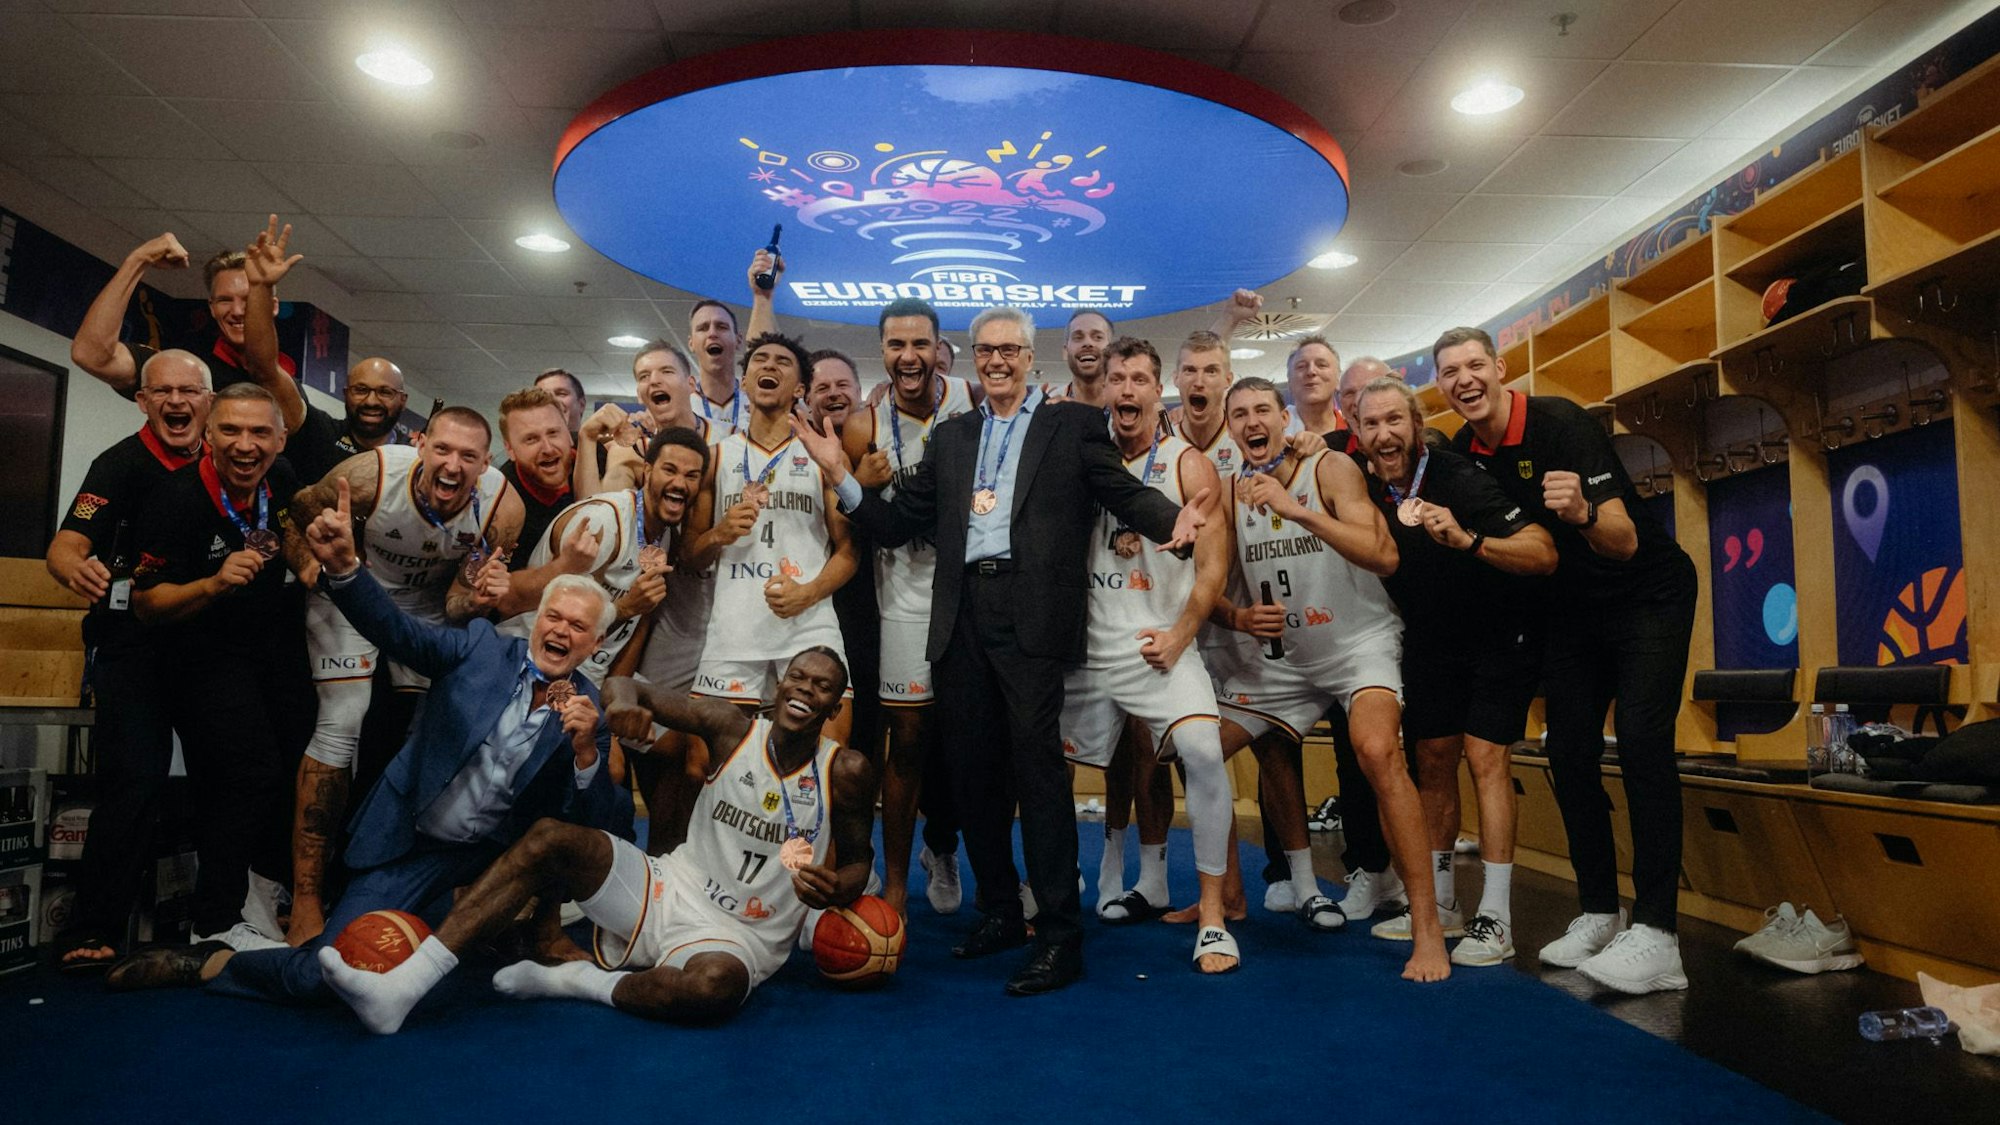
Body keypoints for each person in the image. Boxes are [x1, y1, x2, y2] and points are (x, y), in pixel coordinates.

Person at [792, 305, 1207, 996]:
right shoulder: (954, 438)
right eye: (986, 350)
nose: (998, 360)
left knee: (1037, 773)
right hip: (960, 617)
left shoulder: (1071, 424)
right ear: (972, 358)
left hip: (1034, 616)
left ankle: (1059, 935)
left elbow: (1120, 488)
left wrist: (1174, 519)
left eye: (1011, 349)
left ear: (1029, 355)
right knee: (972, 771)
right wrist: (841, 475)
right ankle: (999, 909)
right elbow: (894, 525)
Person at [107, 482, 625, 1005]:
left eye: (578, 626)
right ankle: (215, 966)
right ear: (537, 622)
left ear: (596, 643)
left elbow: (597, 824)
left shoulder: (587, 713)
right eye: (553, 618)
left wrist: (585, 757)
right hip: (412, 843)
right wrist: (346, 571)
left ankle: (504, 937)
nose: (560, 631)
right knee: (329, 972)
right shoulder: (479, 651)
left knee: (430, 970)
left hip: (491, 864)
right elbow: (398, 631)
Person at [310, 648, 873, 1034]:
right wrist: (623, 701)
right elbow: (627, 685)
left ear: (834, 703)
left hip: (741, 938)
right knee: (551, 838)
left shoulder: (844, 771)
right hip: (667, 887)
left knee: (713, 992)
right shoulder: (732, 727)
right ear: (780, 687)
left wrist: (835, 888)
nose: (805, 691)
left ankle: (578, 980)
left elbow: (857, 863)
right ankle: (403, 988)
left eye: (821, 687)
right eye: (798, 678)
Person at [1438, 326, 1698, 994]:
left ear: (1499, 368)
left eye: (1473, 365)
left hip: (1646, 593)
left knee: (1641, 740)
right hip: (1571, 611)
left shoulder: (1561, 423)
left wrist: (1581, 510)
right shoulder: (1465, 451)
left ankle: (1660, 932)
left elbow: (1623, 538)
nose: (1464, 379)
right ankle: (1599, 911)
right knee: (1567, 749)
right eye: (1449, 372)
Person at [1209, 378, 1450, 983]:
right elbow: (1215, 582)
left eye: (1262, 409)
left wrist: (1296, 510)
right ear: (1230, 428)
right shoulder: (1232, 492)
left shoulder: (1331, 466)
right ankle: (1225, 902)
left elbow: (1384, 555)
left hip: (1357, 646)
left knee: (1375, 751)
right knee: (1198, 750)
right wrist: (1237, 615)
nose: (1251, 421)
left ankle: (1428, 927)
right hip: (1286, 661)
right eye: (1238, 415)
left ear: (1284, 417)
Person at [278, 407, 522, 945]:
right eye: (442, 450)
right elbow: (297, 514)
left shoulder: (502, 510)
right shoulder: (373, 475)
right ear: (421, 444)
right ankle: (306, 898)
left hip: (423, 610)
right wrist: (313, 568)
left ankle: (403, 887)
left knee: (433, 731)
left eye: (468, 456)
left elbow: (457, 603)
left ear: (486, 464)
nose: (452, 465)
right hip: (347, 587)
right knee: (342, 720)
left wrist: (476, 599)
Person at [1352, 376, 1556, 965]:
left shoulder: (1457, 475)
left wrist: (1468, 540)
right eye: (1371, 424)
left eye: (1395, 420)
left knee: (1485, 756)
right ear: (1359, 434)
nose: (1384, 433)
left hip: (1499, 632)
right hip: (1430, 640)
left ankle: (1496, 917)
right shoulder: (1363, 483)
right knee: (1432, 763)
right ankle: (1441, 906)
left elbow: (1543, 551)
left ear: (1416, 425)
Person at [1059, 337, 1237, 972]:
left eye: (1139, 378)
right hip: (1082, 647)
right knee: (1035, 764)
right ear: (1103, 388)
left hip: (1154, 646)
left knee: (1202, 751)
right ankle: (1051, 896)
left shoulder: (1188, 465)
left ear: (1156, 389)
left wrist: (1180, 635)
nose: (1127, 390)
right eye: (1117, 379)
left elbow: (1212, 571)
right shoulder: (1078, 454)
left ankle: (1213, 916)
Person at [44, 349, 212, 970]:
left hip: (209, 648)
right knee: (131, 785)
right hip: (131, 649)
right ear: (142, 401)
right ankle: (97, 926)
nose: (176, 402)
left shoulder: (231, 460)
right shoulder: (116, 465)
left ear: (208, 402)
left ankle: (219, 918)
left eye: (188, 391)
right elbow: (66, 543)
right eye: (162, 391)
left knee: (227, 780)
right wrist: (74, 569)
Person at [128, 383, 311, 946]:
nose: (245, 444)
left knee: (300, 761)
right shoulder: (173, 498)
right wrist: (210, 583)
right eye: (230, 430)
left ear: (280, 439)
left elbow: (294, 538)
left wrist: (310, 559)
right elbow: (144, 603)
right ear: (208, 435)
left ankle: (262, 894)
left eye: (259, 432)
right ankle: (214, 920)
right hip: (200, 654)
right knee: (246, 771)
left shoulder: (283, 483)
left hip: (274, 650)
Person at [835, 299, 978, 916]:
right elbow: (848, 523)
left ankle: (947, 850)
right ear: (883, 352)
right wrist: (860, 483)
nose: (909, 357)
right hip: (901, 597)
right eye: (896, 345)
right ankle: (894, 881)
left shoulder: (972, 401)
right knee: (908, 739)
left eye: (920, 344)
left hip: (972, 594)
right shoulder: (864, 424)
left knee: (977, 740)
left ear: (939, 347)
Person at [685, 333, 858, 741]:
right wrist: (719, 534)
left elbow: (850, 552)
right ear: (744, 382)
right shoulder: (716, 456)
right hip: (734, 631)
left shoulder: (823, 456)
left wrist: (809, 592)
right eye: (759, 360)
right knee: (702, 765)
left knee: (827, 756)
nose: (769, 366)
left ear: (800, 389)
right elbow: (690, 556)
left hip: (808, 625)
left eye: (783, 362)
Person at [497, 429, 708, 686]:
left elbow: (639, 623)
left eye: (691, 476)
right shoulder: (604, 523)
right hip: (530, 657)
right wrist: (628, 606)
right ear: (648, 471)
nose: (680, 483)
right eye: (670, 470)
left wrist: (615, 694)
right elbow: (562, 621)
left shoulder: (666, 537)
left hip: (587, 671)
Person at [235, 214, 410, 484]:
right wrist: (260, 287)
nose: (371, 401)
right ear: (346, 394)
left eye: (385, 392)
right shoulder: (320, 434)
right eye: (361, 390)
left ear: (402, 400)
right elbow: (264, 371)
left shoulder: (417, 457)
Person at [70, 229, 297, 400]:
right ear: (211, 307)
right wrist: (138, 260)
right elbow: (91, 356)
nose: (236, 311)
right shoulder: (187, 369)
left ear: (273, 306)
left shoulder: (290, 382)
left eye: (247, 300)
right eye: (224, 300)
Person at [575, 338, 714, 497]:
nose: (654, 380)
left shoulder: (728, 438)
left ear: (691, 385)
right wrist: (586, 437)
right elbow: (598, 514)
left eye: (667, 371)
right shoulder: (631, 451)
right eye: (644, 376)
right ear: (639, 395)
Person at [685, 251, 783, 434]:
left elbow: (766, 352)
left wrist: (762, 295)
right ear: (691, 343)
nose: (712, 333)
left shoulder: (759, 396)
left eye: (721, 327)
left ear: (738, 340)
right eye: (703, 328)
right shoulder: (682, 405)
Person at [496, 387, 577, 570]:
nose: (548, 448)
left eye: (553, 433)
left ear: (569, 435)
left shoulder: (594, 456)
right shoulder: (503, 501)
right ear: (510, 450)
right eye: (531, 439)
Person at [535, 369, 587, 435]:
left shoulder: (596, 444)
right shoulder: (527, 444)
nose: (552, 400)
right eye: (543, 395)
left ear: (581, 404)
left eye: (561, 394)